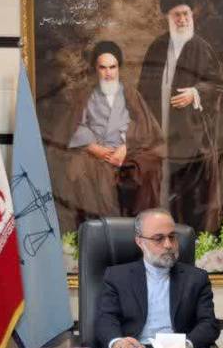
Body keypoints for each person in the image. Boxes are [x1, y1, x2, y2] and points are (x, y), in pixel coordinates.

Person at [137, 0, 223, 234]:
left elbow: (217, 83)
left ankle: (188, 239)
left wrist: (195, 93)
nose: (182, 19)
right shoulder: (157, 47)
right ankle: (159, 235)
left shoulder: (201, 47)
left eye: (186, 14)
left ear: (192, 15)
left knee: (190, 195)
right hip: (160, 129)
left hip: (191, 136)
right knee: (159, 187)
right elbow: (143, 89)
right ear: (168, 17)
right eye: (177, 15)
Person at [50, 41, 164, 232]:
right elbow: (75, 126)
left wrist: (126, 147)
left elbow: (145, 126)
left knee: (149, 167)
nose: (108, 73)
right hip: (96, 152)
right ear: (96, 69)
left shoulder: (130, 94)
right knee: (81, 169)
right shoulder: (85, 96)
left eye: (112, 67)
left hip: (127, 151)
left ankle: (142, 230)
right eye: (103, 68)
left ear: (118, 68)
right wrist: (93, 147)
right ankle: (100, 232)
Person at [94, 208, 220, 348]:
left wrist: (184, 345)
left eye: (172, 237)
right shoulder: (117, 277)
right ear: (140, 242)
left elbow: (209, 324)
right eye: (158, 238)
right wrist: (117, 342)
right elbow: (106, 319)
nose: (168, 245)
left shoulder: (196, 278)